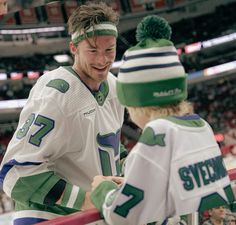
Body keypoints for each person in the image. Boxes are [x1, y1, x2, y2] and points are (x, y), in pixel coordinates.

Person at [90, 15, 235, 225]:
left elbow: (122, 215)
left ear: (138, 103)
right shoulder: (201, 125)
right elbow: (182, 189)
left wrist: (104, 189)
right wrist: (134, 183)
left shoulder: (158, 132)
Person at [0, 2, 126, 224]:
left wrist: (132, 166)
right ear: (74, 48)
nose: (102, 60)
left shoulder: (115, 88)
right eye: (93, 50)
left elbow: (109, 147)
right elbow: (15, 174)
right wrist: (88, 199)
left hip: (93, 216)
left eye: (109, 50)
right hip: (48, 217)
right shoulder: (57, 93)